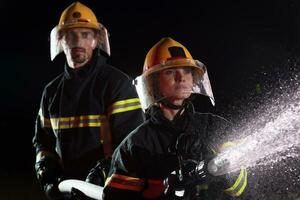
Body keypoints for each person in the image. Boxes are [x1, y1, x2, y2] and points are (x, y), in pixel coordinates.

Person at [102, 37, 249, 199]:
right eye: (170, 71)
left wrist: (216, 165)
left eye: (187, 71)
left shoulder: (215, 126)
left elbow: (245, 188)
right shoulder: (135, 146)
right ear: (152, 83)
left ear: (194, 79)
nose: (181, 77)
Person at [32, 2, 144, 200]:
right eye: (71, 35)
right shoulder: (51, 92)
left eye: (86, 35)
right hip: (66, 191)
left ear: (96, 40)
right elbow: (44, 143)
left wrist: (104, 173)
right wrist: (46, 171)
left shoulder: (116, 83)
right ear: (60, 40)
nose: (78, 42)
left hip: (106, 190)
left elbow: (132, 144)